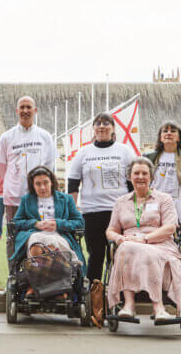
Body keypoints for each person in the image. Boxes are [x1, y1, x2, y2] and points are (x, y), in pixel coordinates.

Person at [105, 157, 181, 322]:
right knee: (126, 247)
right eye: (136, 173)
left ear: (151, 176)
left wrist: (145, 239)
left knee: (134, 249)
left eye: (144, 173)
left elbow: (170, 227)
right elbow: (110, 230)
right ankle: (130, 305)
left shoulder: (164, 199)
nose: (140, 177)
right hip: (129, 244)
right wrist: (119, 239)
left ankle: (157, 306)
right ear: (130, 176)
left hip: (160, 244)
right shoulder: (121, 202)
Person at [67, 113, 135, 282]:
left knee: (118, 254)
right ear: (93, 129)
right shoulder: (84, 152)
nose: (102, 126)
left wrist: (135, 208)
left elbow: (133, 183)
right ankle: (94, 297)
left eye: (106, 123)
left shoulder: (124, 151)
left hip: (119, 211)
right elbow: (73, 183)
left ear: (113, 129)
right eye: (98, 123)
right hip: (92, 211)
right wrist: (73, 209)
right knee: (96, 255)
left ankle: (117, 296)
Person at [0, 96, 56, 269]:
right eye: (21, 107)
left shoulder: (45, 137)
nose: (25, 110)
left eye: (29, 107)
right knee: (13, 238)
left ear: (35, 110)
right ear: (16, 111)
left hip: (39, 199)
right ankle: (14, 277)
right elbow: (1, 168)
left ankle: (38, 278)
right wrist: (12, 185)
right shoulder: (7, 137)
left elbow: (49, 168)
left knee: (40, 237)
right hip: (14, 199)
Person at [10, 166, 86, 276]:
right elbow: (16, 223)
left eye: (46, 182)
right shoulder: (26, 200)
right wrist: (35, 224)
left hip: (59, 235)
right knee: (36, 242)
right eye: (38, 184)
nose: (42, 187)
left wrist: (58, 224)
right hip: (35, 235)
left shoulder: (66, 199)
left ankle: (39, 285)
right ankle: (55, 285)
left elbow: (79, 222)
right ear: (32, 185)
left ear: (52, 182)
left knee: (44, 244)